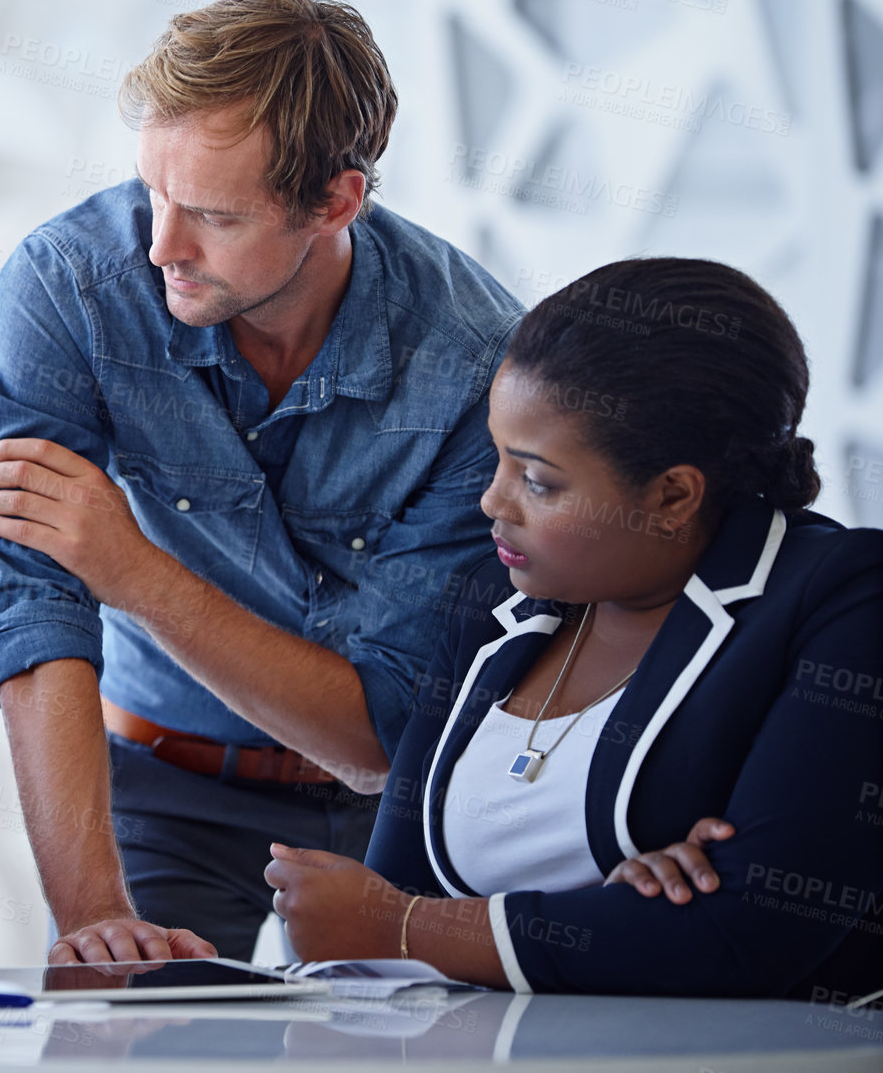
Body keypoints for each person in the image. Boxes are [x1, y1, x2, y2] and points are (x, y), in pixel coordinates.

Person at [0, 0, 522, 964]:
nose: (159, 245)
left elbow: (375, 742)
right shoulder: (67, 286)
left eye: (211, 215)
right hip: (156, 787)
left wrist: (131, 570)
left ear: (334, 201)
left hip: (399, 809)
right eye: (152, 192)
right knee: (119, 1032)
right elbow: (30, 609)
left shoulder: (476, 367)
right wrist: (95, 915)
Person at [264, 257, 883, 1000]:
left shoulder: (841, 597)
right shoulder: (495, 596)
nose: (494, 501)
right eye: (496, 458)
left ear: (673, 495)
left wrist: (411, 930)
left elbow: (751, 933)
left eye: (538, 480)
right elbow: (398, 880)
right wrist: (608, 916)